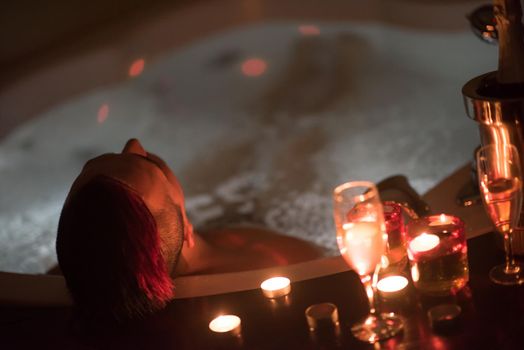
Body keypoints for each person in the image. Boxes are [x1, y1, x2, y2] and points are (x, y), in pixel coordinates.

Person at [55, 139, 322, 323]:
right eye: (149, 164)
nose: (134, 143)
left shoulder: (68, 274)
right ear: (184, 227)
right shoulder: (279, 261)